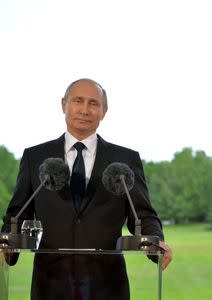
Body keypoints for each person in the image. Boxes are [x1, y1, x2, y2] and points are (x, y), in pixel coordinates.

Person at [1, 78, 173, 300]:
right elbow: (18, 212)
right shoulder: (34, 157)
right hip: (49, 286)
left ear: (104, 111)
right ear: (63, 104)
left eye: (93, 103)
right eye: (78, 101)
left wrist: (155, 242)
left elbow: (143, 214)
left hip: (108, 286)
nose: (84, 109)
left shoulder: (126, 159)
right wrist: (7, 242)